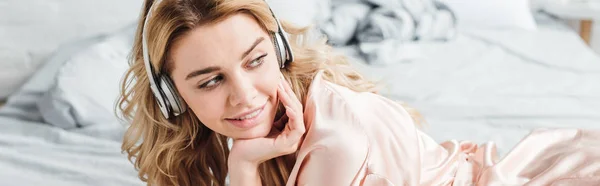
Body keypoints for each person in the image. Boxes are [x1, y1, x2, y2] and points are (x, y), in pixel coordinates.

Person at [117, 0, 600, 185]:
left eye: (255, 60)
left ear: (279, 49)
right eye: (211, 80)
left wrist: (242, 167)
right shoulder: (278, 127)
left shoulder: (334, 143)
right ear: (170, 96)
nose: (244, 96)